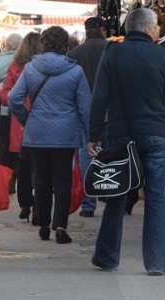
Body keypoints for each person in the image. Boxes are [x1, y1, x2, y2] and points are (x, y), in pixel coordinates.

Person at [88, 8, 165, 276]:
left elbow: (99, 96)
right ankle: (156, 263)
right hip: (155, 135)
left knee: (116, 195)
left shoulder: (112, 53)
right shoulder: (161, 55)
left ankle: (107, 258)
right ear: (148, 30)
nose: (159, 31)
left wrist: (94, 135)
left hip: (120, 134)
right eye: (157, 27)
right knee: (156, 197)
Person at [9, 26, 91, 244]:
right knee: (63, 180)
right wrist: (91, 136)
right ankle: (61, 227)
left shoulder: (30, 69)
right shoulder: (76, 71)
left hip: (37, 133)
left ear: (43, 44)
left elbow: (13, 99)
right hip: (65, 134)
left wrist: (27, 119)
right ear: (66, 45)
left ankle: (43, 225)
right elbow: (85, 108)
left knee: (41, 180)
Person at [0, 32, 42, 223]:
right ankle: (39, 206)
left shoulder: (15, 66)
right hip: (42, 120)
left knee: (23, 166)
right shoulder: (43, 67)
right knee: (41, 168)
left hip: (20, 123)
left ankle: (25, 204)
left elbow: (7, 98)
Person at [68, 16, 108, 217]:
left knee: (85, 157)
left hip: (82, 111)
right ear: (102, 29)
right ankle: (112, 197)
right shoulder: (111, 49)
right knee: (111, 155)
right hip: (109, 112)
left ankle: (88, 204)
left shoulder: (75, 53)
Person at [0, 33, 23, 192]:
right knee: (19, 148)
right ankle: (17, 177)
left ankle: (7, 180)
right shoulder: (24, 62)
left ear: (8, 45)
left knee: (4, 146)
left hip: (3, 110)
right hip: (20, 112)